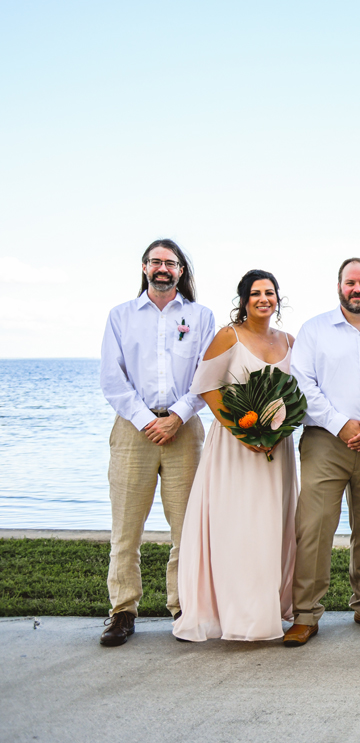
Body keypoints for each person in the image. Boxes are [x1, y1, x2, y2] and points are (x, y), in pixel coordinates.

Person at [283, 258, 360, 647]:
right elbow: (303, 384)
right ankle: (306, 614)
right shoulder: (314, 330)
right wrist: (340, 423)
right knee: (315, 527)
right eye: (351, 282)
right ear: (339, 286)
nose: (358, 289)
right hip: (325, 440)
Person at [99, 239, 215, 647]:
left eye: (171, 262)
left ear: (182, 270)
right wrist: (149, 420)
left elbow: (208, 376)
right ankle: (122, 611)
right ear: (144, 267)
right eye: (156, 261)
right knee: (126, 529)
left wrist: (178, 417)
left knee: (187, 528)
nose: (163, 268)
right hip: (134, 430)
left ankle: (182, 608)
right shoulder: (121, 316)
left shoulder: (201, 316)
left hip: (184, 430)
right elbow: (112, 380)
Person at [173, 270, 299, 642]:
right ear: (244, 300)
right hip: (235, 447)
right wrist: (240, 430)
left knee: (273, 528)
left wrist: (278, 431)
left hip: (277, 449)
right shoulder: (229, 336)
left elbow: (297, 395)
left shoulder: (290, 341)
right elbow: (206, 386)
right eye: (256, 293)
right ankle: (235, 613)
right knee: (239, 528)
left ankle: (268, 608)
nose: (264, 299)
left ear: (278, 299)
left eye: (270, 293)